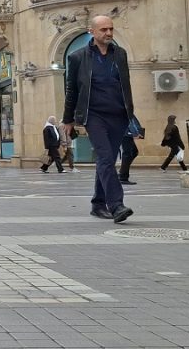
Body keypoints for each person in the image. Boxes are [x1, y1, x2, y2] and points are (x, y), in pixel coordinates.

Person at [63, 15, 135, 223]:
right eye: (103, 30)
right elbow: (72, 90)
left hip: (119, 115)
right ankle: (116, 205)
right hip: (93, 115)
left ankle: (97, 203)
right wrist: (68, 119)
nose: (109, 33)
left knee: (108, 160)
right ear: (91, 31)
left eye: (111, 29)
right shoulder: (77, 57)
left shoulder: (120, 54)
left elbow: (126, 85)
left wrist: (131, 112)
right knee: (105, 157)